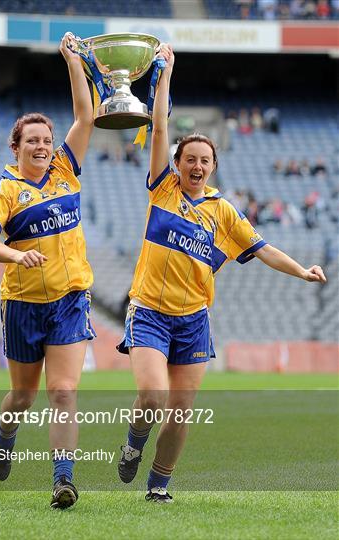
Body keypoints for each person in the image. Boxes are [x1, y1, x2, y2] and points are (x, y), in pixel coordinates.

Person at [116, 44, 326, 503]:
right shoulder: (162, 191)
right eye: (188, 159)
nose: (196, 166)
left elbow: (263, 249)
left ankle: (159, 486)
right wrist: (166, 73)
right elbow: (159, 131)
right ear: (176, 165)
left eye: (204, 161)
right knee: (151, 398)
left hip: (194, 320)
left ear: (213, 168)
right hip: (149, 311)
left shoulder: (223, 212)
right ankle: (133, 445)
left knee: (181, 412)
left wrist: (303, 272)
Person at [0, 33, 95, 510]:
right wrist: (15, 255)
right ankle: (5, 434)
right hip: (22, 303)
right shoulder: (2, 189)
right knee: (22, 397)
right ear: (17, 146)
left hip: (69, 298)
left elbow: (86, 115)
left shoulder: (66, 167)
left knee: (63, 391)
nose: (44, 146)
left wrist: (72, 61)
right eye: (34, 141)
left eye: (48, 139)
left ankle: (62, 481)